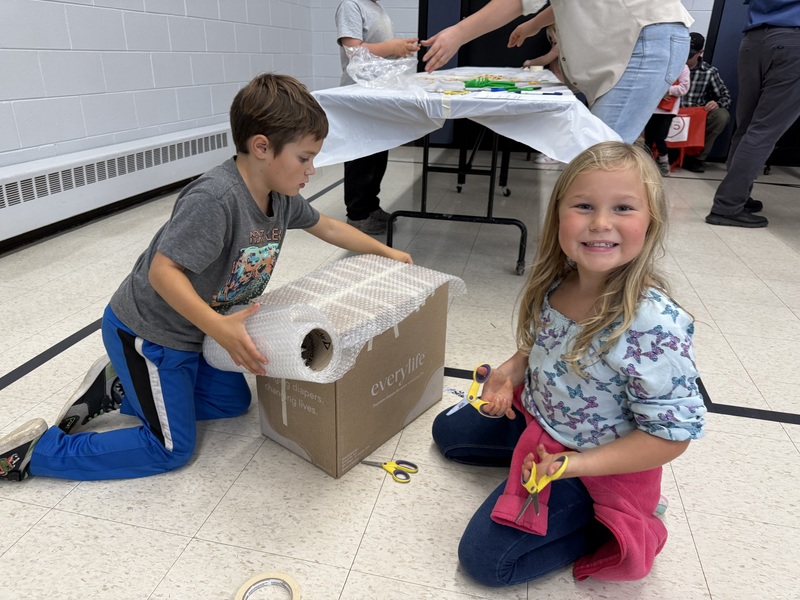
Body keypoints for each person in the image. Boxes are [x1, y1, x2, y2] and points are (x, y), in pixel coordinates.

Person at [0, 73, 413, 483]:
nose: (313, 169)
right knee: (169, 450)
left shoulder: (282, 197)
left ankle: (120, 389)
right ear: (262, 147)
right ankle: (37, 453)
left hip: (198, 334)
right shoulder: (215, 199)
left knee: (233, 402)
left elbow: (328, 226)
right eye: (304, 158)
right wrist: (220, 327)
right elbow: (163, 273)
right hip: (151, 334)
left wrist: (388, 251)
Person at [431, 141, 706, 586]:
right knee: (447, 430)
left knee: (487, 561)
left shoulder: (655, 326)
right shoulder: (560, 280)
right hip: (542, 421)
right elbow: (540, 349)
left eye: (622, 207)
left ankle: (600, 526)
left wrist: (572, 467)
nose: (600, 223)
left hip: (593, 464)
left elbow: (670, 438)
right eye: (584, 206)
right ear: (559, 215)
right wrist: (506, 376)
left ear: (651, 221)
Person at [420, 0, 692, 144]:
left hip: (642, 39)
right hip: (641, 40)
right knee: (602, 155)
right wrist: (534, 25)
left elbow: (516, 0)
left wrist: (458, 33)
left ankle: (594, 246)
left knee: (600, 157)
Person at [705, 0, 800, 228]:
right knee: (764, 130)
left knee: (746, 127)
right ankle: (728, 205)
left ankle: (739, 195)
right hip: (793, 41)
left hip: (753, 41)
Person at [335, 0, 420, 235]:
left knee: (377, 154)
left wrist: (400, 47)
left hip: (378, 93)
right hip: (359, 94)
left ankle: (371, 206)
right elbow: (353, 51)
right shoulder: (351, 5)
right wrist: (392, 46)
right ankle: (358, 214)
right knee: (360, 157)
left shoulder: (377, 8)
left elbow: (379, 50)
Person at [681, 32, 732, 174]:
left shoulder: (709, 72)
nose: (685, 58)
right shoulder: (670, 67)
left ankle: (695, 158)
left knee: (721, 115)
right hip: (669, 113)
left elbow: (725, 96)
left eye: (690, 54)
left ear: (700, 52)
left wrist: (717, 103)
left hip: (694, 117)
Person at [644, 63, 690, 177]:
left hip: (668, 110)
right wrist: (659, 91)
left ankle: (663, 162)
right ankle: (644, 163)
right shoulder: (657, 62)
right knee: (648, 137)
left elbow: (684, 88)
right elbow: (647, 82)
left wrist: (666, 90)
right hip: (651, 107)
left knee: (660, 137)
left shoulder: (682, 66)